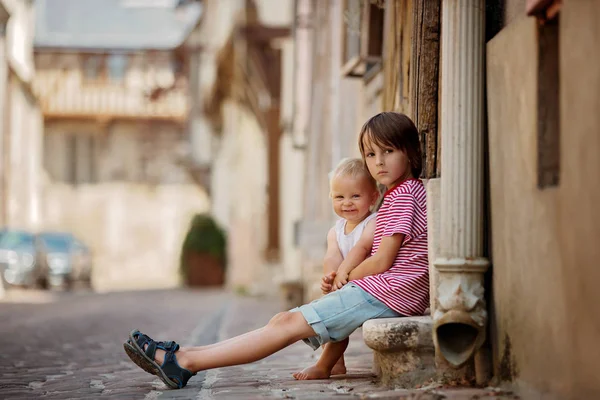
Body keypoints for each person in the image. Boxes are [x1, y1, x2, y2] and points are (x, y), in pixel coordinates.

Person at [123, 112, 430, 389]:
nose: (378, 162)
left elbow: (382, 261)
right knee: (281, 321)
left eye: (388, 151)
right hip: (387, 291)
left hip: (389, 293)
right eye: (371, 154)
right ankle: (185, 356)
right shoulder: (399, 195)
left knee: (285, 325)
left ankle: (184, 361)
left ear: (411, 152)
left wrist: (346, 276)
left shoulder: (402, 196)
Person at [293, 157, 380, 380]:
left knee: (334, 319)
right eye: (339, 197)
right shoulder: (336, 230)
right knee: (325, 313)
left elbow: (361, 249)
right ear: (332, 197)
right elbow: (332, 255)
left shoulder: (373, 222)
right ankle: (337, 364)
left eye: (355, 196)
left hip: (366, 289)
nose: (347, 203)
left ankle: (323, 366)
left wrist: (343, 272)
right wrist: (330, 277)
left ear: (373, 196)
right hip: (344, 286)